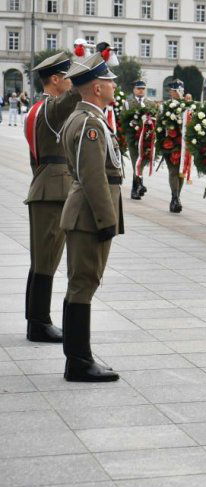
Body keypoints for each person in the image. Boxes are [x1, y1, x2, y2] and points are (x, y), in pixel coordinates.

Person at [59, 53, 122, 382]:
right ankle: (79, 361)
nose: (114, 84)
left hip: (83, 214)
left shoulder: (86, 117)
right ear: (97, 88)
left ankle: (77, 357)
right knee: (84, 284)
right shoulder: (90, 123)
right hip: (88, 215)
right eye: (109, 80)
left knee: (79, 285)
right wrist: (106, 220)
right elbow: (94, 177)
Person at [23, 52, 82, 343]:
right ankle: (39, 322)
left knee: (41, 259)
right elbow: (72, 99)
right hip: (53, 191)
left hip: (45, 186)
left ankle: (36, 320)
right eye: (68, 77)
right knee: (46, 260)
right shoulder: (50, 108)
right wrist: (89, 64)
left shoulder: (37, 108)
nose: (72, 83)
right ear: (55, 80)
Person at [163, 79, 187, 213]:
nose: (178, 93)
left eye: (180, 90)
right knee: (173, 171)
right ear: (170, 92)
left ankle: (177, 196)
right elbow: (160, 125)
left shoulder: (187, 106)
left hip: (183, 144)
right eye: (175, 91)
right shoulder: (165, 106)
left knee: (181, 172)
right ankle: (174, 197)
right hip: (169, 143)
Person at [128, 80, 150, 200]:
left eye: (143, 88)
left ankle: (138, 187)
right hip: (133, 139)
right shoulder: (128, 103)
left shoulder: (149, 103)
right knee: (135, 163)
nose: (141, 90)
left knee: (141, 164)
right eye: (138, 88)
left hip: (146, 139)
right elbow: (124, 119)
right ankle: (135, 188)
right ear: (134, 90)